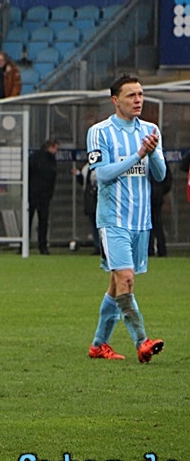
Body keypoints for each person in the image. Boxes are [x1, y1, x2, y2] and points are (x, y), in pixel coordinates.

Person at [86, 74, 166, 364]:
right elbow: (102, 175)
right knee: (126, 279)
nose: (138, 100)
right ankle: (142, 341)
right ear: (115, 100)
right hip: (113, 219)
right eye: (131, 95)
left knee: (116, 284)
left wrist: (153, 153)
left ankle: (98, 345)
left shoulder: (150, 129)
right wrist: (138, 154)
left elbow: (160, 174)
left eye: (141, 94)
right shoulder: (100, 132)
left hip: (140, 220)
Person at [28, 139, 58, 254]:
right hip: (44, 195)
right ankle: (43, 246)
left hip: (31, 193)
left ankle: (24, 244)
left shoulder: (34, 157)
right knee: (43, 221)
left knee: (28, 219)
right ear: (51, 147)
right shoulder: (50, 160)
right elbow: (51, 178)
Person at [148, 165, 172, 258]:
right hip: (157, 194)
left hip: (152, 195)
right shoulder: (160, 158)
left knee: (151, 223)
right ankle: (160, 250)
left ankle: (151, 249)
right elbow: (168, 179)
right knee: (157, 223)